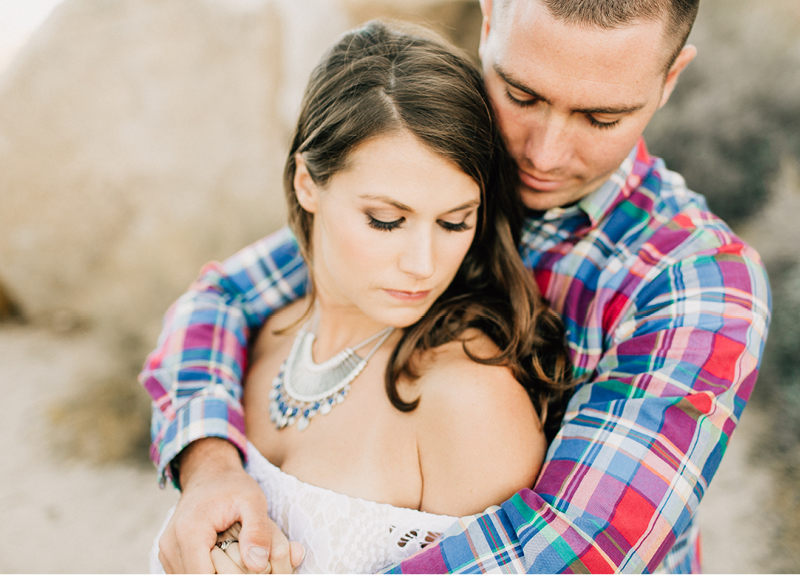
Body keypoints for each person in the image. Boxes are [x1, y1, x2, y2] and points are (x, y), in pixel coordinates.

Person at [140, 0, 772, 573]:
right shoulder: (447, 161)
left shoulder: (696, 281)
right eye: (522, 95)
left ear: (670, 80)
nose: (544, 155)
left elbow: (576, 547)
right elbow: (222, 299)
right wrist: (211, 466)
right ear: (490, 19)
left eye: (601, 116)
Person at [147, 19, 574, 574]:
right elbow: (205, 304)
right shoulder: (254, 336)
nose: (423, 264)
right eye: (386, 220)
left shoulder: (468, 400)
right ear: (307, 183)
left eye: (454, 222)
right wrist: (208, 469)